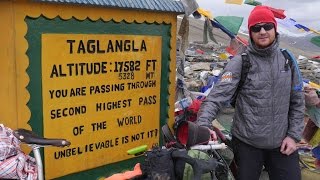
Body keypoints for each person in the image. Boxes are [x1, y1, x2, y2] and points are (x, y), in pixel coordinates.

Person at [196, 5, 305, 180]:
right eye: (256, 27)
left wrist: (293, 136)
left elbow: (298, 102)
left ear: (274, 29)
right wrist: (203, 124)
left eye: (267, 26)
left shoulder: (287, 60)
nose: (262, 31)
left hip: (282, 143)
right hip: (247, 144)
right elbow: (216, 98)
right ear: (251, 32)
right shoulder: (240, 62)